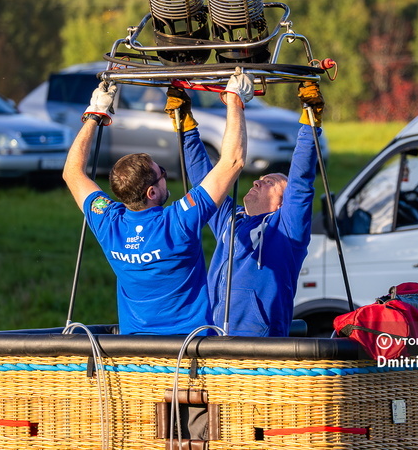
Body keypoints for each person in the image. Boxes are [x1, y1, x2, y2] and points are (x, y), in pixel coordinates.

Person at [62, 71, 252, 335]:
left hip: (137, 357)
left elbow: (72, 173)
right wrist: (234, 102)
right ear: (151, 192)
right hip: (189, 352)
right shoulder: (178, 222)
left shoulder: (108, 223)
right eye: (161, 172)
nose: (165, 175)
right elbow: (233, 162)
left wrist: (94, 115)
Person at [165, 82, 325, 337]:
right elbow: (205, 180)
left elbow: (301, 180)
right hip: (213, 338)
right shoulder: (231, 221)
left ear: (284, 203)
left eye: (270, 182)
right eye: (261, 178)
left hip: (259, 348)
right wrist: (186, 127)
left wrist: (310, 122)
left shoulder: (287, 230)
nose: (258, 181)